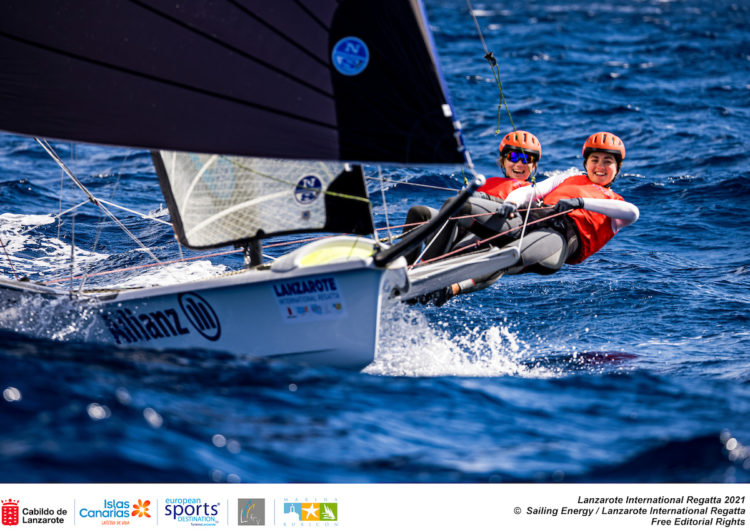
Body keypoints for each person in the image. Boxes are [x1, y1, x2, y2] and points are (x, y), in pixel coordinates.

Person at [450, 131, 639, 277]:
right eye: (594, 160)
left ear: (618, 168)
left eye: (608, 162)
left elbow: (632, 213)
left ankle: (453, 285)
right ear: (586, 163)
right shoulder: (567, 178)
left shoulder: (616, 203)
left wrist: (580, 203)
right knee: (458, 205)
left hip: (558, 237)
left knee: (506, 255)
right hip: (530, 220)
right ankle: (434, 260)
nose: (600, 166)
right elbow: (532, 191)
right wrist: (511, 203)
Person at [402, 130, 542, 264]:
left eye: (527, 159)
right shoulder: (488, 182)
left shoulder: (533, 191)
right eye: (514, 157)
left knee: (457, 207)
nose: (519, 164)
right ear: (503, 160)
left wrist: (483, 198)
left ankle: (425, 265)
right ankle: (403, 267)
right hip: (455, 231)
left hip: (482, 236)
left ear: (534, 165)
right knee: (418, 212)